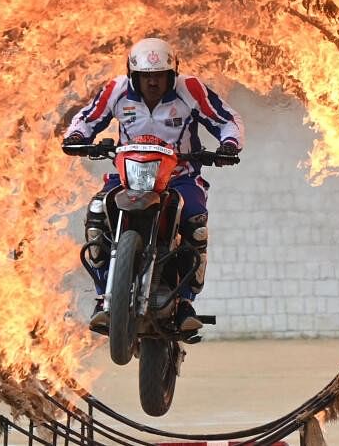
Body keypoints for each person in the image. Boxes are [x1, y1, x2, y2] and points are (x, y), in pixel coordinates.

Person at [63, 37, 244, 334]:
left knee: (195, 224)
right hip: (127, 177)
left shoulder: (190, 90)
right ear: (133, 75)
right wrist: (76, 137)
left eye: (159, 75)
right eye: (146, 76)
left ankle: (185, 302)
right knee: (97, 213)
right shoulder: (116, 90)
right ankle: (103, 298)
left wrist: (229, 144)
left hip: (180, 177)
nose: (153, 82)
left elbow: (227, 119)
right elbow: (87, 118)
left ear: (172, 74)